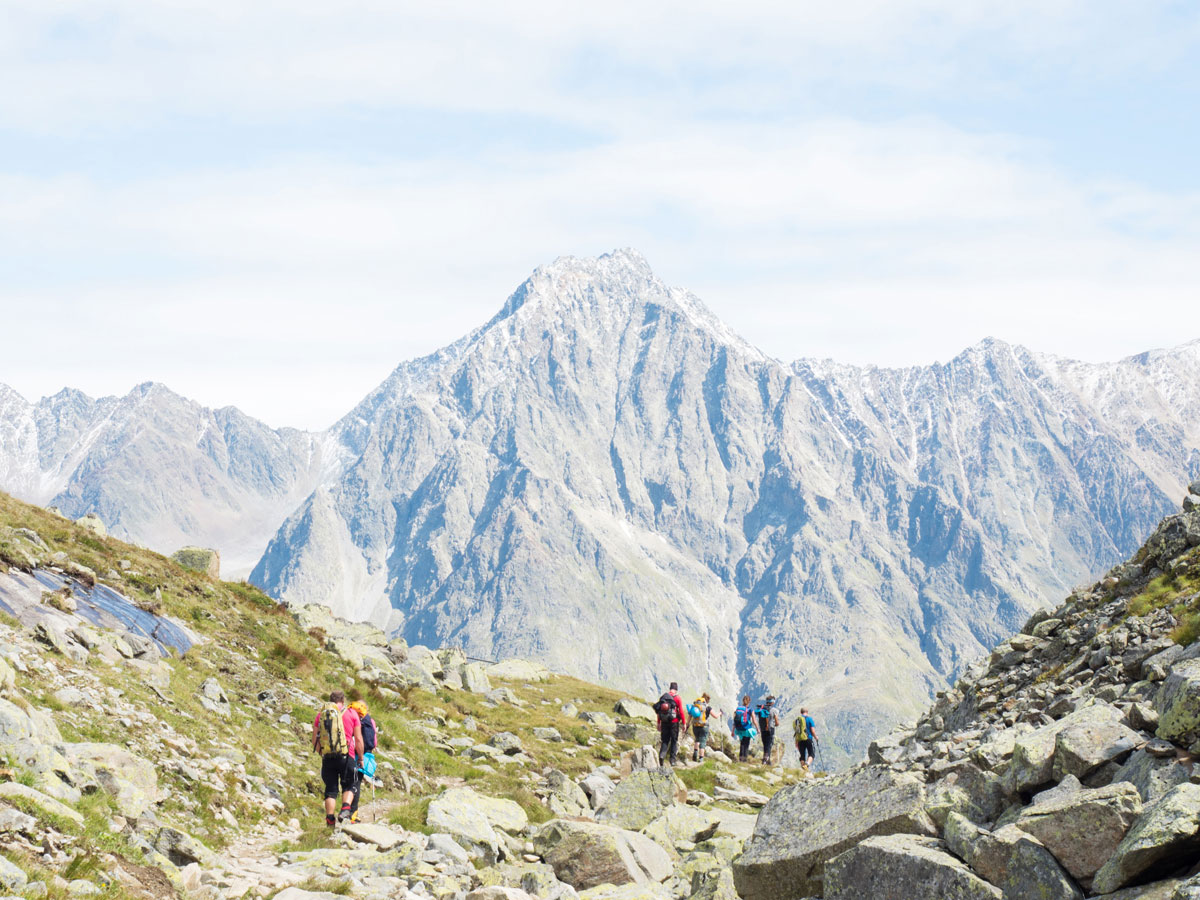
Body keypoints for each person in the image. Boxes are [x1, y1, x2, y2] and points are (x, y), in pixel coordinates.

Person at [311, 689, 364, 825]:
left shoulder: (320, 715)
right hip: (347, 755)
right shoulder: (352, 714)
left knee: (331, 789)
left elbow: (314, 740)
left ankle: (330, 818)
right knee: (350, 784)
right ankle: (345, 809)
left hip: (328, 757)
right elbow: (358, 739)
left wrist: (323, 754)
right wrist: (361, 758)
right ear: (343, 701)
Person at [347, 699, 378, 823]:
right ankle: (353, 813)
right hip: (363, 755)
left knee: (348, 782)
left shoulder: (350, 717)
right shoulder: (370, 721)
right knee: (356, 783)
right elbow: (374, 742)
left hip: (349, 752)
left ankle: (346, 809)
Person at [655, 681, 686, 767]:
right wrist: (684, 723)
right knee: (674, 740)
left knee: (665, 740)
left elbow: (659, 711)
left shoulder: (663, 697)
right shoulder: (677, 698)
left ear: (670, 688)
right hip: (674, 722)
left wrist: (658, 723)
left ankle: (661, 756)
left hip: (664, 722)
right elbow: (681, 711)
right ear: (676, 689)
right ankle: (672, 760)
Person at [687, 692, 713, 761]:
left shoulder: (695, 705)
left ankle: (695, 755)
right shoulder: (708, 707)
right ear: (707, 700)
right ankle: (701, 759)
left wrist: (687, 724)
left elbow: (690, 715)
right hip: (704, 726)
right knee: (703, 743)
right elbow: (715, 716)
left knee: (697, 740)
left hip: (695, 726)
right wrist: (720, 713)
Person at [732, 694, 756, 763]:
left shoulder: (738, 708)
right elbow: (754, 720)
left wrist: (733, 731)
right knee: (746, 744)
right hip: (747, 729)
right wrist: (757, 728)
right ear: (749, 701)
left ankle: (740, 759)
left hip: (739, 729)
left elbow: (735, 720)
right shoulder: (750, 709)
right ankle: (744, 760)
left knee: (742, 744)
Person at [757, 695, 780, 764]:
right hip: (770, 729)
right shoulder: (774, 710)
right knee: (769, 744)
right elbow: (777, 722)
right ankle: (766, 760)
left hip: (763, 729)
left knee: (765, 744)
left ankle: (767, 761)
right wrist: (776, 724)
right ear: (772, 702)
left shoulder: (762, 709)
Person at [794, 707, 818, 772]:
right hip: (808, 738)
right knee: (811, 753)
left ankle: (803, 770)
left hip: (800, 740)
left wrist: (796, 741)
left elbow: (797, 732)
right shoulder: (809, 719)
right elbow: (812, 731)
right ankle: (806, 765)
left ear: (801, 712)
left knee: (802, 755)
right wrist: (816, 737)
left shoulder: (797, 720)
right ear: (807, 712)